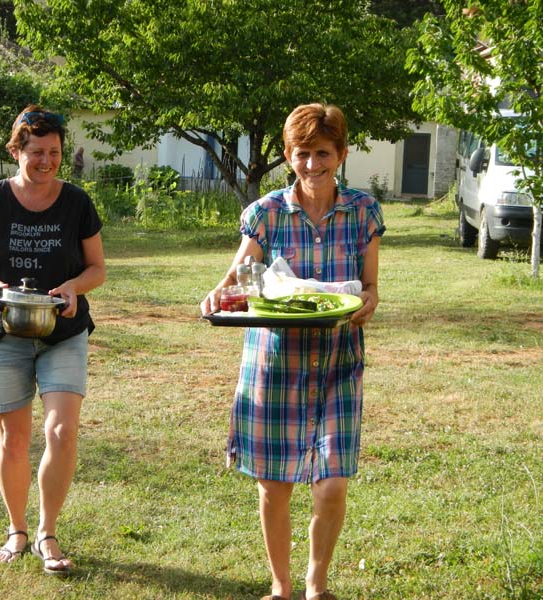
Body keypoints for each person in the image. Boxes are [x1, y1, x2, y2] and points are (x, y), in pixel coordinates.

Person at [200, 104, 384, 600]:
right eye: (302, 154)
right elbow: (241, 278)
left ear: (341, 155)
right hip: (275, 364)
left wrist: (367, 301)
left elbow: (369, 287)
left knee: (332, 485)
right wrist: (218, 295)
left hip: (338, 363)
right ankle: (281, 587)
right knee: (274, 486)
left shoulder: (364, 211)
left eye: (323, 153)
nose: (312, 164)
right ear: (288, 155)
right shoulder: (266, 213)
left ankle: (315, 583)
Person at [0, 105, 106, 575]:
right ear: (16, 151)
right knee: (14, 438)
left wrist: (74, 287)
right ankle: (16, 528)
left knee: (61, 431)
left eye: (54, 152)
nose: (46, 161)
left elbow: (97, 268)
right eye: (36, 151)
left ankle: (48, 531)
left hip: (62, 332)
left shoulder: (77, 202)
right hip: (5, 332)